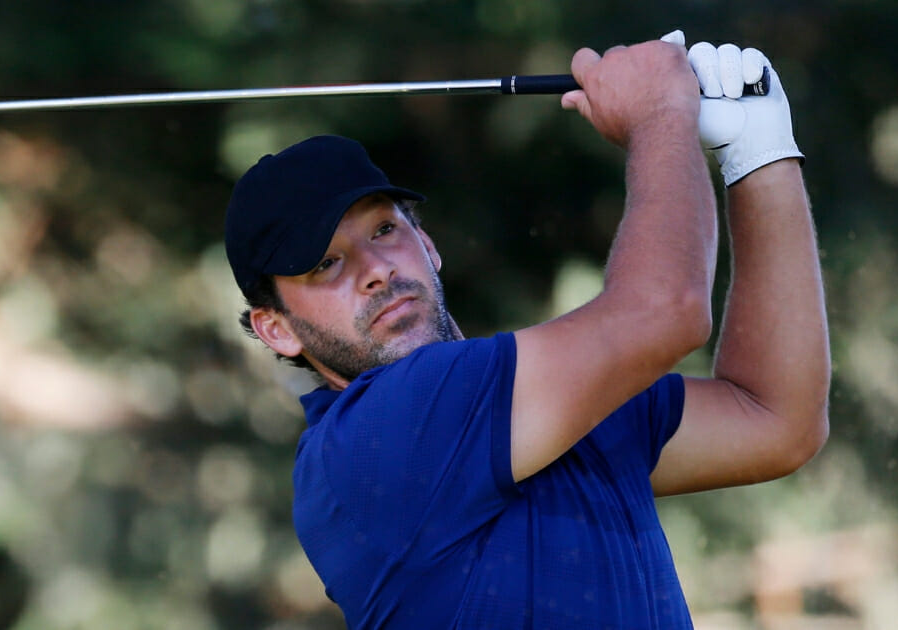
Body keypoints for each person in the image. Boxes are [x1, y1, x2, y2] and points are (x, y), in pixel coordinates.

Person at [223, 30, 829, 629]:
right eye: (326, 264)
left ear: (426, 244)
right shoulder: (370, 441)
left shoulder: (535, 404)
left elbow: (777, 420)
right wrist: (661, 111)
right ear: (276, 329)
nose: (376, 270)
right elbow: (666, 309)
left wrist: (760, 153)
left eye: (383, 230)